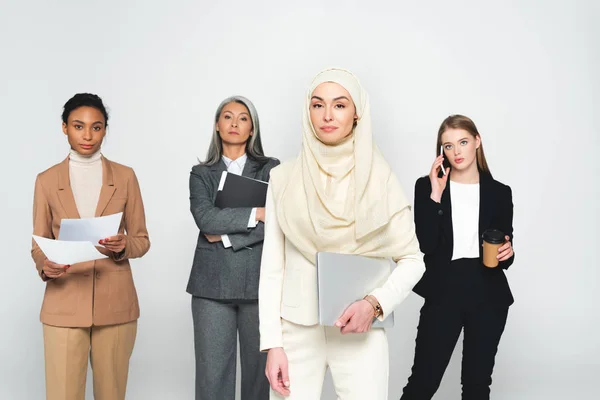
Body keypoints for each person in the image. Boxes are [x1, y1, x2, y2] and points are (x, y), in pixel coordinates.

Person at [258, 68, 425, 400]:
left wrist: (374, 304)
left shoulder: (381, 179)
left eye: (340, 105)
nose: (327, 115)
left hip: (360, 329)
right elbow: (272, 268)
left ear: (357, 113)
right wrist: (272, 344)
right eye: (318, 105)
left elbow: (413, 260)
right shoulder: (283, 178)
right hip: (295, 331)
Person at [31, 93, 150, 400]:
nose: (87, 135)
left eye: (96, 127)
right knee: (62, 394)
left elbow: (141, 239)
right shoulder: (46, 180)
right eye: (78, 126)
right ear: (64, 128)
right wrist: (45, 264)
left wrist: (124, 245)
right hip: (64, 302)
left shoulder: (125, 177)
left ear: (105, 130)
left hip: (116, 304)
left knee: (112, 394)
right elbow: (38, 241)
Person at [401, 115, 515, 400]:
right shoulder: (426, 186)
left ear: (477, 141)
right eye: (448, 146)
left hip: (488, 294)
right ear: (441, 152)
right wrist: (436, 195)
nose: (457, 152)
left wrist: (508, 252)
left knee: (477, 385)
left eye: (463, 142)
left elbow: (505, 249)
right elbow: (425, 244)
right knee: (423, 383)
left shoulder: (500, 192)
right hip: (444, 292)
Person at [187, 96, 280, 400]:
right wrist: (256, 213)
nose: (235, 124)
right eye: (227, 117)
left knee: (258, 377)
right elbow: (206, 218)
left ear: (252, 128)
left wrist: (226, 237)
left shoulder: (271, 169)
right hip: (211, 287)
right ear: (217, 125)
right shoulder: (201, 174)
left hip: (259, 285)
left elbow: (279, 222)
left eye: (243, 118)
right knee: (212, 377)